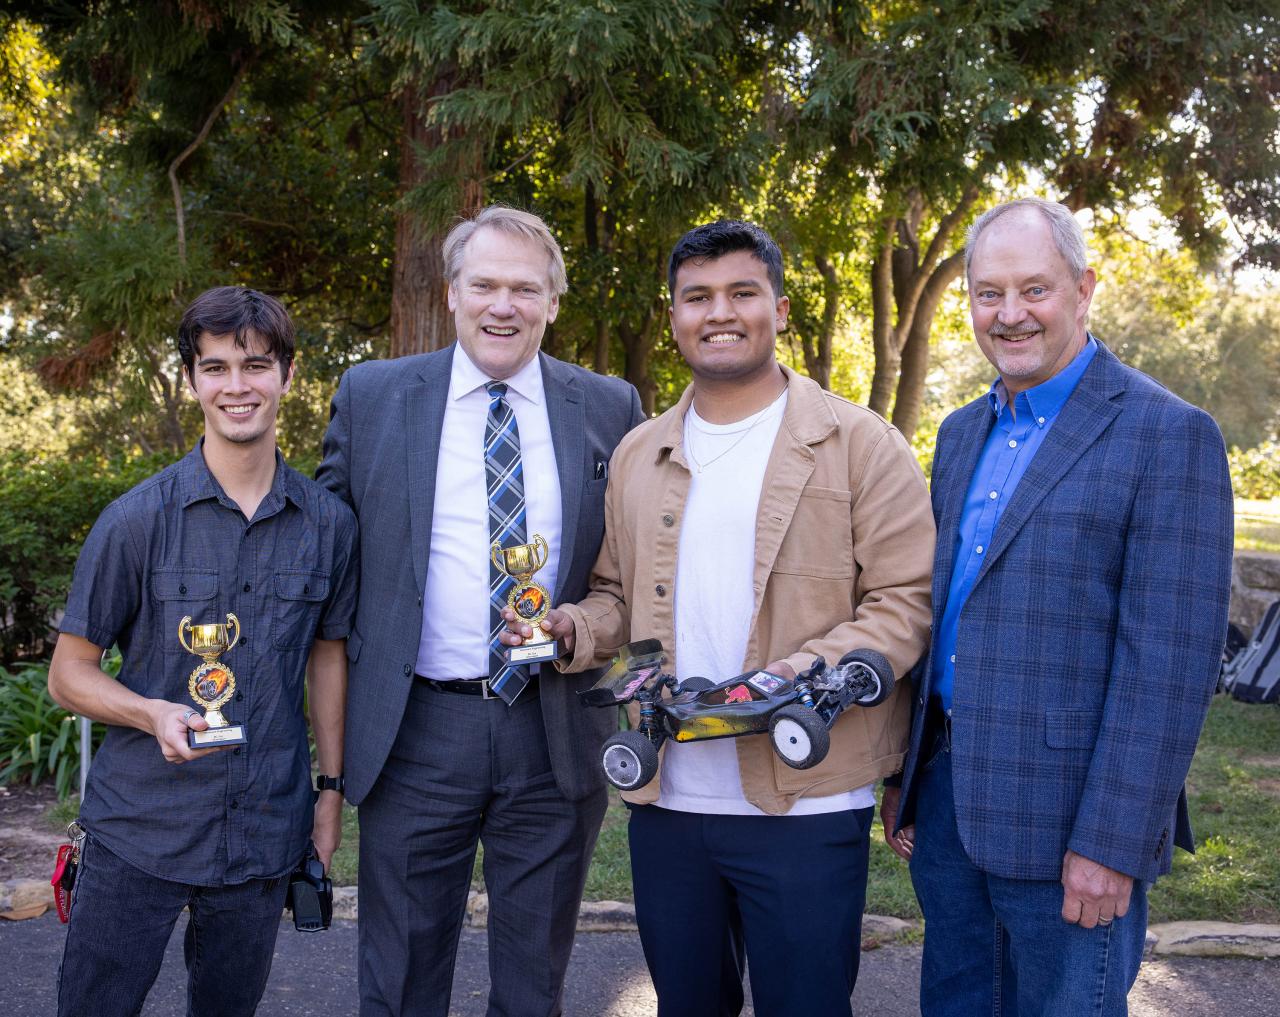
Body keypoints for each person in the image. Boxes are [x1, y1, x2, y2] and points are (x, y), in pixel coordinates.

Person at [505, 219, 936, 1017]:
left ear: (777, 304)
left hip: (804, 797)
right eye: (697, 296)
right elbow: (616, 595)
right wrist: (574, 628)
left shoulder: (861, 444)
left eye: (742, 292)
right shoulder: (639, 452)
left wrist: (799, 675)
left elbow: (906, 599)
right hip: (670, 798)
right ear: (673, 315)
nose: (720, 312)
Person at [881, 197, 1235, 1015]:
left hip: (1071, 829)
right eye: (988, 292)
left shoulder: (1167, 434)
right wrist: (905, 773)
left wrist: (1112, 843)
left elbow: (1169, 668)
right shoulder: (962, 433)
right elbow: (943, 617)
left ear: (1084, 289)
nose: (1009, 315)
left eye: (1033, 290)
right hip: (949, 807)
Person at [316, 205, 646, 1017]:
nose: (504, 304)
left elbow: (638, 569)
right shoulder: (373, 395)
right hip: (417, 727)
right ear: (453, 293)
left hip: (554, 728)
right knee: (398, 980)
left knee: (534, 986)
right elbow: (323, 549)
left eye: (525, 288)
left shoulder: (610, 407)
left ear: (552, 303)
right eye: (486, 284)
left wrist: (581, 625)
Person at [48, 286, 357, 1017]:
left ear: (287, 373)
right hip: (139, 828)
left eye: (254, 365)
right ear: (193, 381)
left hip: (264, 826)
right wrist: (150, 709)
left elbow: (327, 655)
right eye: (215, 368)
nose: (236, 386)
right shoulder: (135, 521)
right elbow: (69, 673)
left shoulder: (330, 525)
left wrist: (330, 790)